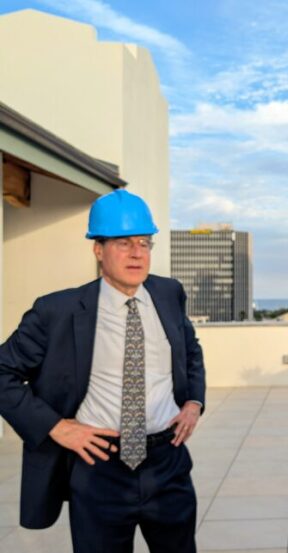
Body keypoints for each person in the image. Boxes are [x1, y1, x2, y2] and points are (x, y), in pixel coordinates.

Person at [0, 189, 206, 553]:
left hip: (166, 464)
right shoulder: (57, 311)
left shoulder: (168, 293)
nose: (137, 253)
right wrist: (56, 427)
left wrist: (194, 401)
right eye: (123, 242)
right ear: (98, 249)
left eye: (144, 242)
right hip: (99, 469)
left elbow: (189, 349)